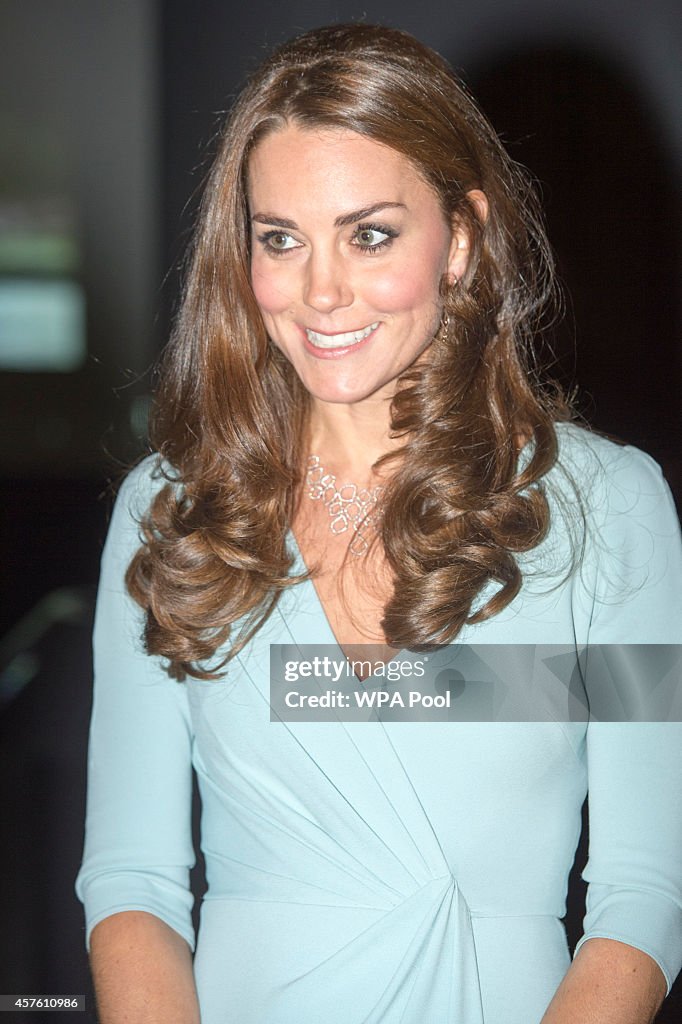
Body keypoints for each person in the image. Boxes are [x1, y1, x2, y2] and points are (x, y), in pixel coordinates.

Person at [76, 23, 682, 1024]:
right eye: (280, 238)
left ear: (464, 237)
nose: (321, 292)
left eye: (368, 233)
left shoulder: (613, 511)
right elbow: (130, 881)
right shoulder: (171, 513)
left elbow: (643, 893)